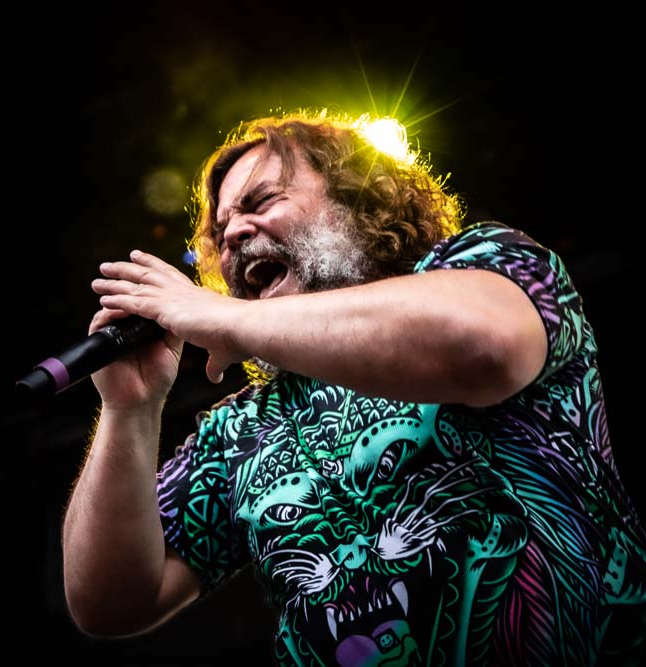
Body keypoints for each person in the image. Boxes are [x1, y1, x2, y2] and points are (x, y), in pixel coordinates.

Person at [61, 110, 646, 666]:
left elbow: (484, 347)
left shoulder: (485, 264)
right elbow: (108, 602)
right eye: (220, 232)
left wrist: (213, 315)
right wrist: (129, 409)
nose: (233, 234)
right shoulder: (237, 431)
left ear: (356, 197)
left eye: (261, 202)